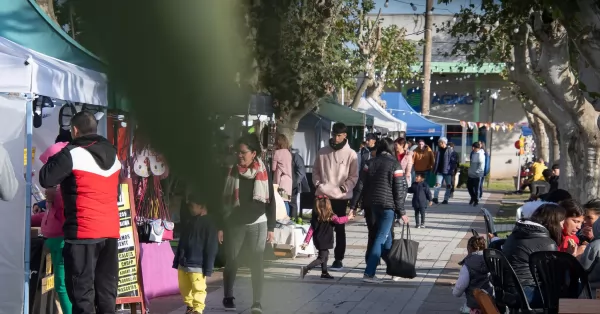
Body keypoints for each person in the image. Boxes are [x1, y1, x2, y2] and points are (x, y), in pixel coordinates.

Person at [39, 111, 121, 314]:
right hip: (110, 233)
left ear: (75, 130)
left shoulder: (72, 153)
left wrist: (63, 150)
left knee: (81, 295)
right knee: (106, 295)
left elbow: (46, 178)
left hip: (83, 233)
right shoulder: (113, 153)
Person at [219, 134, 276, 313]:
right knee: (232, 261)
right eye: (238, 152)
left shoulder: (263, 171)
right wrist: (220, 225)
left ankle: (256, 302)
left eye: (243, 152)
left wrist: (272, 228)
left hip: (258, 222)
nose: (240, 156)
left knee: (256, 262)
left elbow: (270, 200)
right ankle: (228, 296)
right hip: (234, 223)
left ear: (254, 153)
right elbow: (221, 201)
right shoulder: (230, 170)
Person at [350, 137, 409, 283]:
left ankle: (394, 270)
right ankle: (369, 273)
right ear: (391, 149)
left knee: (387, 240)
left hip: (371, 206)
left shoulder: (369, 163)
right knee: (381, 238)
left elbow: (360, 185)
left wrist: (353, 206)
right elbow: (399, 190)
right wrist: (402, 212)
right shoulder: (395, 165)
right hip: (388, 207)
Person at [312, 122, 358, 271]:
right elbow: (315, 171)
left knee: (339, 228)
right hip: (323, 195)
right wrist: (319, 184)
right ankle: (322, 256)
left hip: (340, 197)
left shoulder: (351, 154)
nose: (336, 138)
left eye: (339, 135)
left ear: (345, 135)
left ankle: (338, 259)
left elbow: (354, 176)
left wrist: (344, 188)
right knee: (321, 227)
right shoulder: (323, 151)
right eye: (334, 134)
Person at [501, 203, 565, 307]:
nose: (562, 227)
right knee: (572, 292)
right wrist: (570, 257)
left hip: (507, 290)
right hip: (526, 293)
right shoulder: (546, 243)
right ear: (553, 222)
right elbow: (552, 277)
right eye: (561, 223)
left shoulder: (517, 233)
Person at [39, 142, 71, 314]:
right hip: (54, 242)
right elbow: (48, 216)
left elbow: (63, 216)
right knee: (60, 287)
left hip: (60, 242)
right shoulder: (57, 189)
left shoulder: (63, 190)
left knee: (62, 286)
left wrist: (54, 200)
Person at [173, 199, 218, 314]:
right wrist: (177, 260)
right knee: (184, 288)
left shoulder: (209, 224)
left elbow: (211, 247)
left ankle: (197, 310)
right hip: (184, 262)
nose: (191, 209)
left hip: (197, 264)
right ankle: (190, 307)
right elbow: (182, 242)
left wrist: (208, 268)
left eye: (193, 206)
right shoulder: (190, 221)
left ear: (202, 207)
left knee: (198, 288)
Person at [300, 196, 354, 280]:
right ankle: (306, 268)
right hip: (325, 240)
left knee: (325, 256)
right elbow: (339, 220)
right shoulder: (331, 216)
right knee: (322, 258)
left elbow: (311, 230)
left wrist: (306, 241)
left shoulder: (316, 217)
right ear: (328, 206)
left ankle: (324, 272)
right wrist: (348, 218)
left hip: (318, 240)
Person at [452, 235, 493, 314]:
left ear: (469, 248)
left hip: (475, 304)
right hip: (492, 303)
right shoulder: (491, 260)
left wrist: (455, 292)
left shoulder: (467, 265)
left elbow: (461, 285)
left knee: (463, 310)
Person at [579, 200, 600, 288]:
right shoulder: (579, 234)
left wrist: (593, 239)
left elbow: (585, 268)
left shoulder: (596, 244)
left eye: (589, 218)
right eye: (584, 218)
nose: (584, 221)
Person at [272, 134, 293, 217]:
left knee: (280, 200)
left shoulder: (277, 153)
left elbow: (273, 168)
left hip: (281, 180)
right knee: (286, 200)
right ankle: (287, 217)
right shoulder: (288, 153)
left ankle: (283, 218)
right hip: (288, 180)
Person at [432, 137, 458, 205]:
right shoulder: (439, 150)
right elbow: (436, 161)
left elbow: (453, 162)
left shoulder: (450, 151)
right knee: (437, 185)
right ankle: (435, 198)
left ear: (443, 143)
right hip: (439, 171)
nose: (438, 143)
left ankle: (446, 199)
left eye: (439, 142)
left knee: (448, 185)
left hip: (447, 171)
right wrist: (435, 169)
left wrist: (451, 169)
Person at [290, 148, 309, 220]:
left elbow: (301, 170)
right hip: (289, 182)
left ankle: (293, 219)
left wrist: (295, 182)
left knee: (292, 202)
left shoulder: (295, 156)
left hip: (294, 184)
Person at [467, 142, 485, 206]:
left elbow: (481, 165)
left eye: (474, 147)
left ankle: (476, 200)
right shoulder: (473, 153)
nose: (472, 148)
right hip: (471, 173)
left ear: (477, 148)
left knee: (477, 188)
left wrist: (477, 172)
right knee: (469, 187)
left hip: (477, 174)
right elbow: (472, 164)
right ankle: (473, 197)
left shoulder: (481, 154)